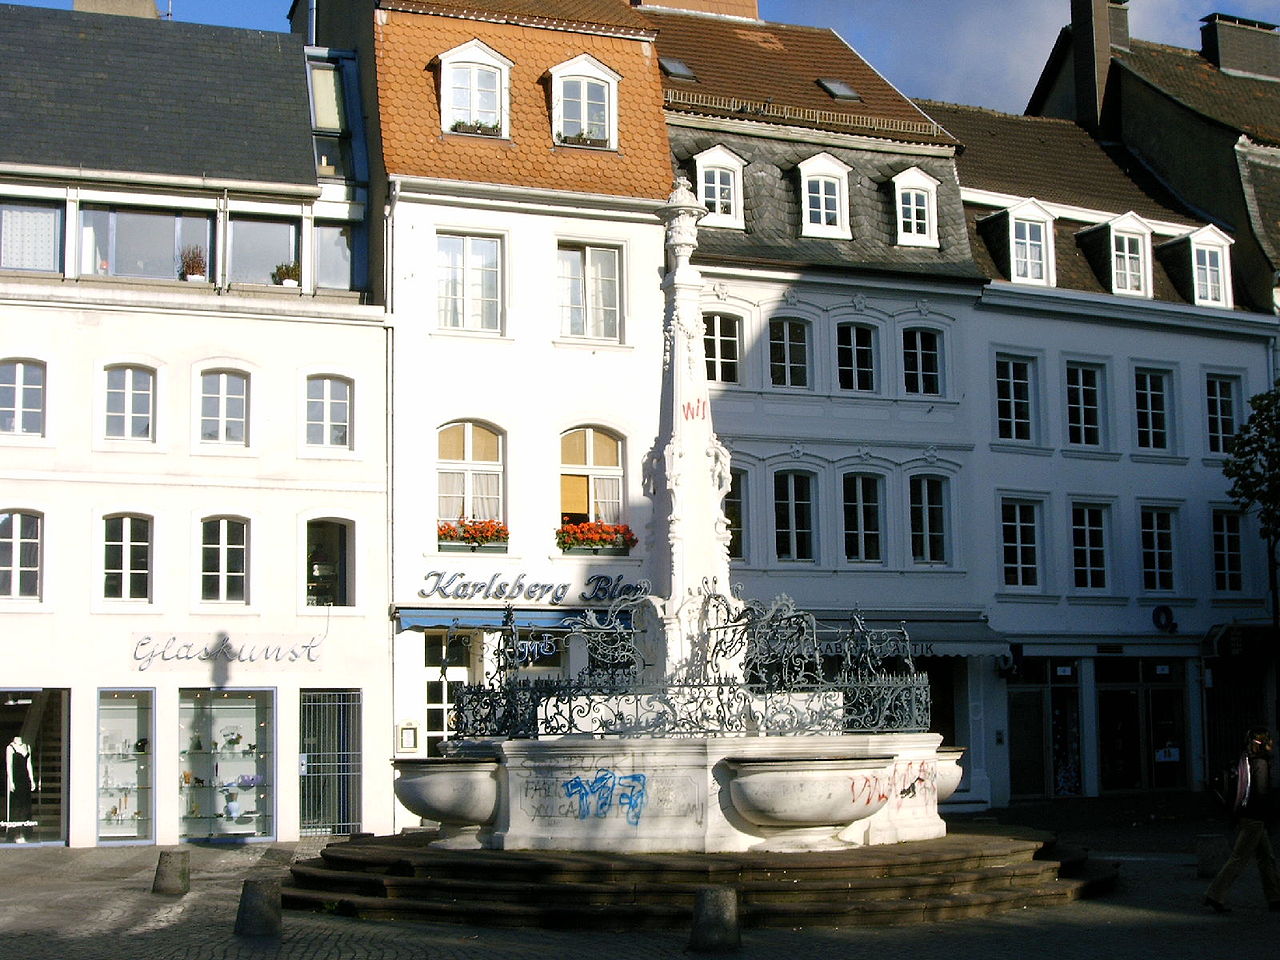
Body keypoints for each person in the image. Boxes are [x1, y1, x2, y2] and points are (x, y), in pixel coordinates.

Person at [1204, 727, 1280, 913]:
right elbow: (1261, 794)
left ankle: (1275, 898)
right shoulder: (1260, 763)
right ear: (1262, 743)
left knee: (1267, 858)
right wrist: (1269, 816)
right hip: (1255, 818)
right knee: (1239, 858)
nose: (1272, 745)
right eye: (1269, 741)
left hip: (1249, 817)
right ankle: (1214, 894)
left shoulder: (1246, 759)